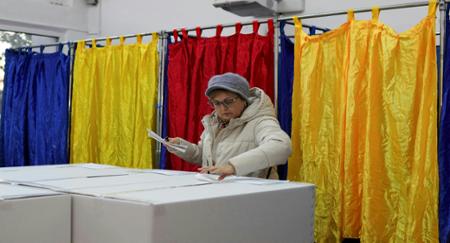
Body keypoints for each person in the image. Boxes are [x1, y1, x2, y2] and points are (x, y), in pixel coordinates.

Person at [166, 72, 291, 180]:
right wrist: (181, 147)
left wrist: (233, 167)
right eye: (216, 103)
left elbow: (281, 146)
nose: (222, 108)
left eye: (229, 101)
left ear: (244, 99)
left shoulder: (261, 121)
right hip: (219, 194)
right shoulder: (213, 124)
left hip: (251, 198)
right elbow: (205, 156)